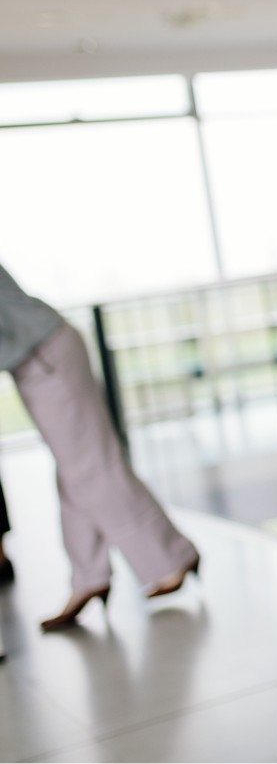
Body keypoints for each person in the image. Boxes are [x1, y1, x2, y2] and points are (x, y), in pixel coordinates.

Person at [0, 259, 200, 631]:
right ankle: (89, 579)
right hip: (37, 361)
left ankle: (173, 557)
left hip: (45, 356)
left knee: (91, 468)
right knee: (76, 472)